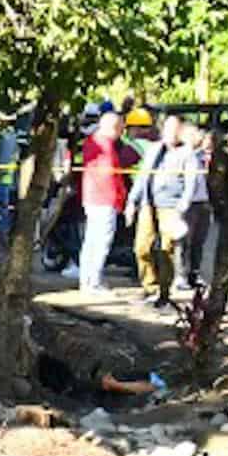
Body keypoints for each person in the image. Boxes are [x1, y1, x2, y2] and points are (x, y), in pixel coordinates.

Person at [141, 113, 213, 307]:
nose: (171, 133)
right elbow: (143, 176)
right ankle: (149, 286)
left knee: (169, 248)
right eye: (168, 128)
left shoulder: (187, 154)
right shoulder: (154, 150)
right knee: (142, 247)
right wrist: (134, 201)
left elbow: (191, 183)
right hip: (149, 203)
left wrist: (182, 206)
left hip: (172, 206)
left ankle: (163, 292)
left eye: (175, 129)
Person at [74, 104, 133, 292]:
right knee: (100, 242)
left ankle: (87, 280)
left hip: (92, 197)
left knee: (91, 241)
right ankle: (93, 282)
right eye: (121, 128)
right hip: (105, 199)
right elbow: (111, 176)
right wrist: (121, 198)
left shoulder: (91, 142)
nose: (122, 132)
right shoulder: (105, 145)